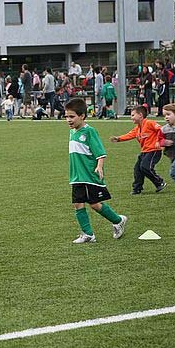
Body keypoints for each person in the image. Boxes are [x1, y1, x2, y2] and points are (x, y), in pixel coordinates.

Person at [65, 98, 128, 244]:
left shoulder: (89, 131)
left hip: (89, 175)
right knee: (77, 204)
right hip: (76, 176)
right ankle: (88, 234)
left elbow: (99, 152)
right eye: (66, 116)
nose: (68, 120)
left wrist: (99, 166)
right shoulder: (72, 132)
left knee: (94, 204)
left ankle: (118, 220)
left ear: (82, 116)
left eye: (72, 116)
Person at [110, 105, 166, 195]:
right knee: (137, 169)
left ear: (140, 115)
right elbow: (130, 135)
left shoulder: (149, 123)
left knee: (145, 167)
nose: (131, 117)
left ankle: (159, 182)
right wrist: (118, 138)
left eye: (132, 115)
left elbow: (161, 129)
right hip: (144, 152)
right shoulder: (138, 128)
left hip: (154, 150)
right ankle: (137, 188)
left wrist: (159, 141)